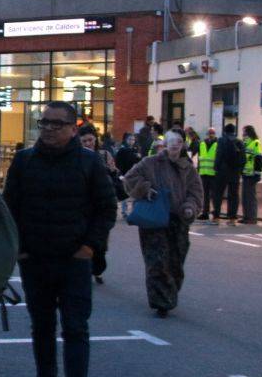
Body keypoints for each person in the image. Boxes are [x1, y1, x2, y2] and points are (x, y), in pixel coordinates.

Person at [3, 101, 116, 377]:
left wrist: (89, 247)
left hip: (74, 261)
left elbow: (106, 208)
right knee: (41, 327)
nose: (49, 129)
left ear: (72, 128)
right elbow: (10, 209)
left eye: (57, 124)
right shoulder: (25, 161)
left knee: (76, 328)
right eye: (45, 123)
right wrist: (21, 250)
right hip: (35, 259)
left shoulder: (88, 162)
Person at [122, 131, 202, 317]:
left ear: (183, 145)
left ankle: (169, 293)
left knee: (176, 263)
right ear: (165, 143)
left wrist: (190, 207)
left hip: (177, 221)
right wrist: (145, 189)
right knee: (157, 262)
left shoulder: (187, 168)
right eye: (172, 141)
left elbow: (196, 192)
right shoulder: (150, 163)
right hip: (154, 221)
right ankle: (161, 302)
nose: (175, 145)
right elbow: (129, 179)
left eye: (179, 142)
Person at [79, 124, 118, 285]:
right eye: (84, 141)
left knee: (100, 242)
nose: (88, 143)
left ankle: (98, 268)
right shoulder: (77, 157)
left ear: (95, 140)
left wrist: (112, 172)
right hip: (83, 204)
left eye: (90, 140)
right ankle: (87, 268)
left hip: (101, 203)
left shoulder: (104, 155)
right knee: (84, 238)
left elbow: (114, 172)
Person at [213, 123, 245, 226]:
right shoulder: (239, 142)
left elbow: (219, 154)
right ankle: (232, 218)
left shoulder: (221, 140)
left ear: (225, 131)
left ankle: (216, 217)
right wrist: (239, 170)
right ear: (234, 131)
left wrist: (216, 167)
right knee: (234, 195)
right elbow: (243, 158)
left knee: (218, 194)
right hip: (235, 172)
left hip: (222, 171)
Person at [115, 133, 141, 220]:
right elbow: (118, 162)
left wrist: (138, 157)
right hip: (125, 174)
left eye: (133, 139)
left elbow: (138, 163)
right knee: (124, 193)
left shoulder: (135, 150)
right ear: (126, 140)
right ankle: (124, 212)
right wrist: (120, 173)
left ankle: (133, 211)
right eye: (130, 139)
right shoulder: (122, 150)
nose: (131, 141)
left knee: (133, 193)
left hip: (133, 175)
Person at [241, 125, 262, 224]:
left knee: (250, 197)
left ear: (248, 133)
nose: (243, 134)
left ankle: (252, 217)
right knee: (245, 197)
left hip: (252, 175)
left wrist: (257, 174)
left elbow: (259, 159)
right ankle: (246, 217)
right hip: (246, 174)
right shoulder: (245, 143)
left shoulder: (255, 143)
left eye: (244, 132)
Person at [196, 128, 218, 221]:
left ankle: (216, 212)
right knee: (204, 194)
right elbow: (199, 157)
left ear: (215, 134)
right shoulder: (202, 143)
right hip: (204, 172)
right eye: (209, 133)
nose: (211, 135)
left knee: (215, 194)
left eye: (212, 133)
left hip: (213, 173)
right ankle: (205, 212)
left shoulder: (218, 144)